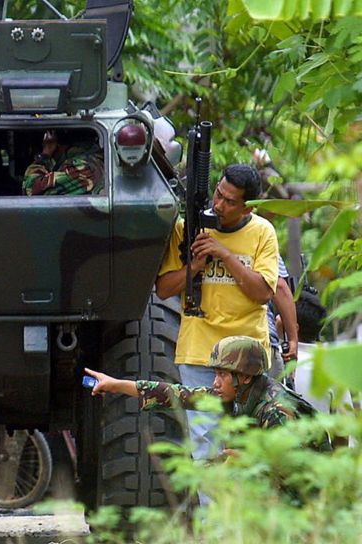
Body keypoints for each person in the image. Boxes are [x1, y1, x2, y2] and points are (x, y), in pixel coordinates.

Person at [155, 164, 279, 463]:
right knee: (205, 445)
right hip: (199, 354)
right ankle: (211, 512)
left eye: (229, 201)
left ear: (247, 207)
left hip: (246, 357)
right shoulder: (187, 229)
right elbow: (163, 288)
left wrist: (223, 253)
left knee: (247, 444)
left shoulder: (263, 232)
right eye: (218, 194)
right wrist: (194, 267)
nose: (219, 205)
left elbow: (263, 291)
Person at [84, 336, 322, 432]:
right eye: (215, 373)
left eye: (223, 375)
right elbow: (175, 394)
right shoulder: (237, 393)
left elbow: (296, 473)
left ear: (246, 377)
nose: (215, 383)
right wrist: (115, 385)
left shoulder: (277, 412)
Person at [23, 129, 104, 196]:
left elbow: (30, 190)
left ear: (57, 147)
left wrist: (45, 155)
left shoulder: (81, 167)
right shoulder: (96, 159)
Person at [268, 255, 298, 384]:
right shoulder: (262, 235)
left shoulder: (201, 237)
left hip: (205, 343)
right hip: (259, 340)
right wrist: (293, 339)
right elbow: (279, 286)